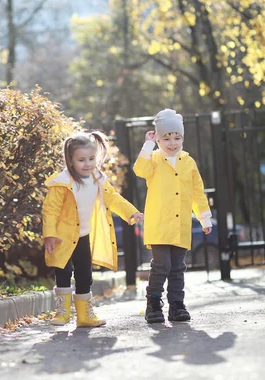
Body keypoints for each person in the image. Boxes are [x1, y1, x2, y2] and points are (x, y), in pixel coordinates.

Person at [42, 131, 143, 327]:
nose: (87, 164)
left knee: (84, 274)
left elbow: (113, 198)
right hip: (62, 237)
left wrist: (132, 212)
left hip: (83, 236)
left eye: (91, 159)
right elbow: (50, 210)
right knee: (63, 271)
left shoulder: (98, 179)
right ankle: (62, 312)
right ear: (70, 161)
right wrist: (50, 234)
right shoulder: (62, 183)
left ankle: (84, 315)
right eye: (81, 160)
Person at [133, 109, 212, 323]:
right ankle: (153, 303)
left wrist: (204, 218)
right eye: (166, 138)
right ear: (158, 139)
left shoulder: (189, 162)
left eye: (177, 137)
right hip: (159, 224)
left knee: (178, 267)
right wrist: (148, 145)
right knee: (161, 265)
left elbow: (197, 192)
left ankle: (177, 305)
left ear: (182, 138)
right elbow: (139, 170)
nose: (172, 143)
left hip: (180, 224)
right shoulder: (154, 160)